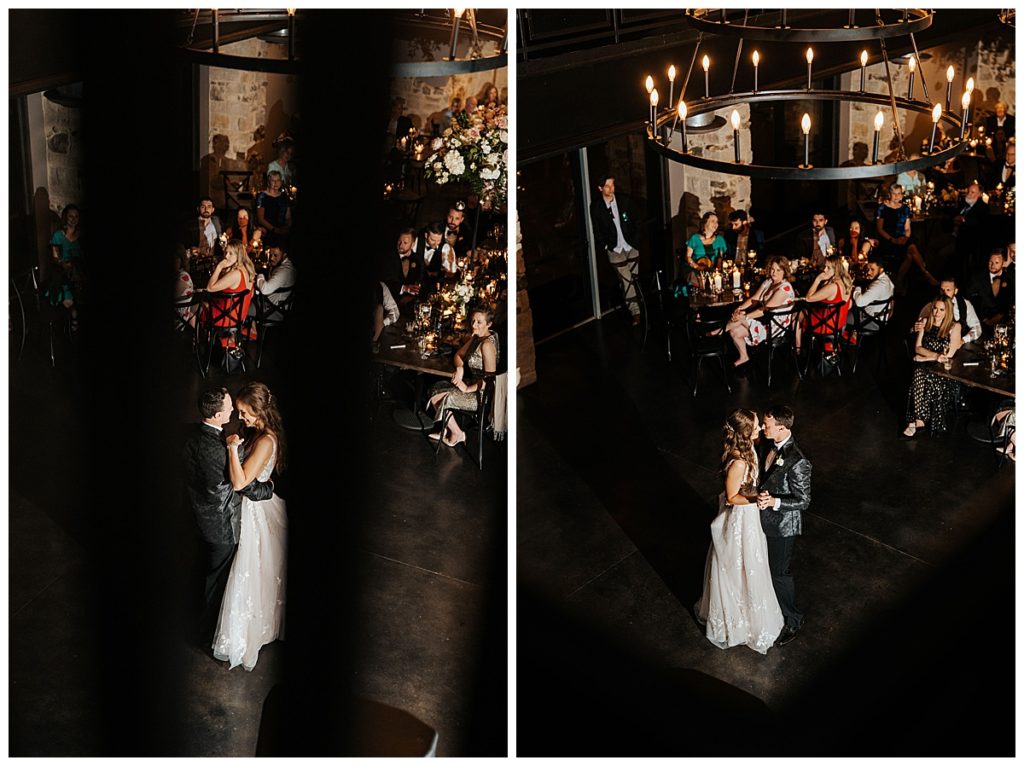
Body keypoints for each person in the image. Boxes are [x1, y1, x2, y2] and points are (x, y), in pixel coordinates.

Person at [183, 387, 274, 643]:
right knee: (217, 584)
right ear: (217, 415)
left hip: (197, 516)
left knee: (202, 569)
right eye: (230, 409)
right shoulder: (224, 451)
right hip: (221, 527)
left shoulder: (191, 433)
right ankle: (204, 633)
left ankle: (190, 614)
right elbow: (243, 484)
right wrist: (268, 489)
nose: (234, 412)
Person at [695, 408, 783, 654]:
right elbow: (733, 498)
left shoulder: (749, 449)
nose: (759, 428)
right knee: (737, 564)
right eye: (756, 426)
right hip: (740, 520)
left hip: (749, 516)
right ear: (746, 432)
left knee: (749, 563)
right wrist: (758, 498)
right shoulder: (739, 461)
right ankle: (736, 620)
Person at [213, 382, 288, 671]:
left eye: (244, 412)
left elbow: (241, 482)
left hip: (255, 512)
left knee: (250, 569)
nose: (239, 417)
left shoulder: (267, 440)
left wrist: (232, 448)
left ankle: (246, 635)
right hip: (252, 505)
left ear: (258, 411)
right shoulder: (259, 433)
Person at [756, 404, 811, 646]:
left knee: (780, 573)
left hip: (783, 527)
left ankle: (793, 619)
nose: (761, 428)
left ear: (781, 427)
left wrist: (774, 502)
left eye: (766, 425)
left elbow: (804, 500)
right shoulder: (769, 445)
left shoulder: (797, 461)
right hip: (764, 520)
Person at [426, 307, 499, 447]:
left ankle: (456, 433)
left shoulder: (487, 344)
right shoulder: (477, 337)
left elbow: (490, 379)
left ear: (489, 324)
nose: (473, 325)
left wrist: (466, 389)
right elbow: (458, 355)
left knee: (437, 395)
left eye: (479, 322)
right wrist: (460, 368)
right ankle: (451, 430)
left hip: (480, 394)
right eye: (472, 321)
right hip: (471, 383)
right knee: (436, 387)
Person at [901, 296, 962, 438]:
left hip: (942, 370)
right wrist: (934, 356)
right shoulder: (925, 322)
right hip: (927, 363)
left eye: (942, 309)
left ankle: (914, 421)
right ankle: (919, 420)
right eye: (935, 308)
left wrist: (926, 357)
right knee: (919, 372)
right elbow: (917, 348)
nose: (937, 312)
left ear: (948, 311)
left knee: (919, 374)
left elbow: (949, 355)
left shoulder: (954, 327)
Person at [724, 256, 796, 368]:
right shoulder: (769, 281)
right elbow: (754, 299)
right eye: (772, 269)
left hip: (775, 326)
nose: (774, 273)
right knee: (734, 331)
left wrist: (745, 316)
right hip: (764, 319)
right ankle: (744, 357)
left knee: (740, 319)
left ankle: (718, 331)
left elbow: (765, 309)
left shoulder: (785, 288)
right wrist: (740, 309)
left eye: (778, 270)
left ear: (784, 271)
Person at [589, 175, 641, 325]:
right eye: (607, 186)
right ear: (600, 188)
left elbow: (636, 220)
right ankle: (636, 312)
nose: (611, 189)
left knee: (634, 280)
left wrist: (636, 239)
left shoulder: (624, 200)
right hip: (614, 249)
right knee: (627, 281)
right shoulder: (596, 207)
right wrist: (606, 245)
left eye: (612, 185)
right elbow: (597, 229)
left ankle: (634, 301)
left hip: (630, 245)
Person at [875, 183, 937, 290]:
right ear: (890, 194)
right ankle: (926, 273)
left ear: (901, 195)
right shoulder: (882, 208)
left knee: (910, 251)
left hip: (902, 238)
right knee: (911, 251)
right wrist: (892, 239)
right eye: (894, 194)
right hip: (888, 239)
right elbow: (879, 229)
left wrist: (906, 238)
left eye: (899, 194)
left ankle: (898, 281)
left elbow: (907, 228)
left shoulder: (905, 209)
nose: (896, 196)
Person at [795, 253, 852, 355]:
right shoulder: (846, 281)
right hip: (838, 324)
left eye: (828, 268)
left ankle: (798, 349)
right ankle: (804, 346)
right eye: (825, 266)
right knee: (805, 311)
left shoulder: (833, 287)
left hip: (825, 326)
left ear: (836, 269)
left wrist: (818, 279)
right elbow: (849, 304)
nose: (824, 270)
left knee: (796, 316)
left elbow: (808, 298)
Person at [206, 239, 256, 352]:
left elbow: (210, 288)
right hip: (239, 317)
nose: (226, 257)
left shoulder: (236, 274)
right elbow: (251, 295)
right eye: (226, 252)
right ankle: (221, 340)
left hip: (226, 318)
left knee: (201, 306)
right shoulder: (248, 270)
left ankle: (204, 345)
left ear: (238, 255)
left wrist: (219, 267)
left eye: (230, 253)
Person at [914, 278, 981, 345]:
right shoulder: (931, 305)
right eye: (942, 290)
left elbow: (977, 328)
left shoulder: (964, 305)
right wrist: (916, 328)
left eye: (948, 290)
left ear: (955, 291)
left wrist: (962, 340)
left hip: (958, 347)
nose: (944, 293)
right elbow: (917, 328)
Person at [48, 203, 82, 325]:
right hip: (64, 270)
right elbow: (56, 257)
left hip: (78, 269)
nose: (73, 220)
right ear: (65, 217)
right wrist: (64, 265)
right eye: (70, 216)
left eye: (76, 217)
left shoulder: (80, 236)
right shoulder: (58, 235)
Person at [966, 249, 1014, 327]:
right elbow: (968, 299)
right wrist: (983, 319)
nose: (992, 265)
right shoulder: (977, 277)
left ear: (1003, 263)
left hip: (1003, 323)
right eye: (990, 262)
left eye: (996, 263)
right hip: (980, 322)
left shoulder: (1010, 278)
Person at [952, 182, 991, 276]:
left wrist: (963, 220)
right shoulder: (963, 204)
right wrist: (954, 219)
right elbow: (952, 215)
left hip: (969, 240)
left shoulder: (983, 208)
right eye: (968, 192)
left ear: (979, 195)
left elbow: (978, 223)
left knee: (943, 254)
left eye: (972, 192)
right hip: (954, 234)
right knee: (933, 245)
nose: (969, 194)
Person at [848, 256, 894, 331]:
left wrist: (857, 286)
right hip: (879, 318)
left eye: (872, 269)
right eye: (868, 269)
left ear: (881, 269)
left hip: (870, 321)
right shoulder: (887, 280)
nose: (869, 272)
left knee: (840, 316)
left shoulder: (879, 284)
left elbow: (859, 302)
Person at [382, 228, 423, 306]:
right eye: (399, 241)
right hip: (390, 300)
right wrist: (404, 288)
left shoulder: (418, 259)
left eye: (405, 243)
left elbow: (421, 279)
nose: (400, 245)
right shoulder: (388, 257)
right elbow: (386, 281)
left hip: (411, 302)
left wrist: (416, 290)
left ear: (413, 244)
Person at [685, 211, 728, 280]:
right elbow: (688, 257)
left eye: (717, 222)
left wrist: (717, 271)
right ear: (705, 223)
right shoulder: (694, 238)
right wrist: (697, 267)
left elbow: (720, 257)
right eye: (713, 221)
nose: (716, 224)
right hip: (696, 272)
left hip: (713, 272)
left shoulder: (720, 239)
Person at [255, 170, 292, 241]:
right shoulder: (262, 196)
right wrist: (275, 230)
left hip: (283, 230)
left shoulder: (284, 196)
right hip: (267, 230)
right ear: (269, 182)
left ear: (281, 182)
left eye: (278, 180)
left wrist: (287, 227)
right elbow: (260, 219)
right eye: (273, 180)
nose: (276, 183)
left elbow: (288, 217)